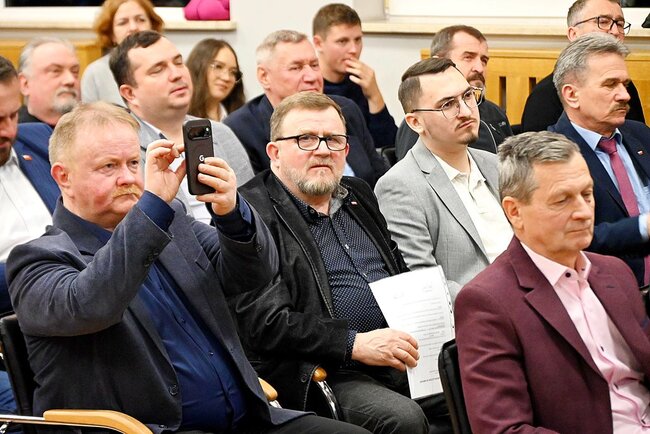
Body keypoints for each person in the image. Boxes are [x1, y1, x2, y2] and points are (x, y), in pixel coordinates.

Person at [6, 101, 369, 434]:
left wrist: (231, 213)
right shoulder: (37, 261)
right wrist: (152, 206)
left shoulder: (172, 223)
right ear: (63, 177)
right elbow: (94, 303)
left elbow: (255, 276)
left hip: (251, 418)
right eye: (108, 167)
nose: (128, 178)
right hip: (152, 430)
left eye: (133, 163)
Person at [236, 91, 450, 434]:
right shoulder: (251, 212)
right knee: (402, 418)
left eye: (333, 139)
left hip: (399, 353)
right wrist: (354, 344)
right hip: (326, 370)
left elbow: (398, 272)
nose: (323, 150)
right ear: (274, 152)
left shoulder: (358, 193)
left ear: (346, 150)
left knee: (484, 385)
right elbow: (266, 323)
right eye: (306, 139)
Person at [455, 130, 650, 433]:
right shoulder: (487, 302)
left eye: (587, 194)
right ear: (514, 211)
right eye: (562, 200)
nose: (583, 212)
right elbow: (505, 429)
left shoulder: (615, 272)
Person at [375, 58, 512, 298]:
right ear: (416, 122)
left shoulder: (497, 165)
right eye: (448, 105)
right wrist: (502, 307)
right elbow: (424, 282)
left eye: (467, 96)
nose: (466, 111)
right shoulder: (400, 186)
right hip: (475, 312)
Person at [110, 30, 253, 224]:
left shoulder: (221, 133)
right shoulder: (121, 149)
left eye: (178, 62)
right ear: (130, 93)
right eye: (158, 69)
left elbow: (256, 216)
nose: (176, 74)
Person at [224, 30, 388, 187]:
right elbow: (254, 199)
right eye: (296, 68)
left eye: (314, 65)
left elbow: (379, 179)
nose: (312, 77)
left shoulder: (346, 110)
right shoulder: (239, 129)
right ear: (264, 76)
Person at [549, 33, 650, 288]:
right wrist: (643, 227)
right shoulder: (552, 156)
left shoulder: (641, 135)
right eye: (610, 85)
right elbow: (568, 238)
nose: (625, 95)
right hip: (604, 294)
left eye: (625, 84)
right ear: (572, 95)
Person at [0, 55, 58, 417]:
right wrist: (53, 266)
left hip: (75, 312)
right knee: (29, 411)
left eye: (13, 115)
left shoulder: (36, 139)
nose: (9, 131)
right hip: (10, 330)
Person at [521, 0, 645, 132]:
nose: (615, 31)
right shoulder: (544, 96)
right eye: (603, 22)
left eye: (619, 24)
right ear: (574, 34)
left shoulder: (626, 88)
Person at [394, 25, 512, 160]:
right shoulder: (424, 120)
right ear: (438, 62)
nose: (480, 68)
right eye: (468, 57)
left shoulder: (495, 112)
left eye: (484, 60)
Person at [312, 3, 397, 148]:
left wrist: (374, 95)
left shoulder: (361, 81)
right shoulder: (308, 84)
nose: (353, 49)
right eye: (342, 41)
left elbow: (389, 146)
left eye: (358, 40)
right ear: (318, 43)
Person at [82, 0, 164, 107]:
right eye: (123, 22)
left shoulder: (170, 63)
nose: (133, 27)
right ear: (111, 34)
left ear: (152, 26)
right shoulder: (96, 73)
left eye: (140, 20)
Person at [17, 37, 80, 127]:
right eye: (55, 71)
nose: (70, 80)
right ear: (25, 84)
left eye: (75, 71)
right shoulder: (12, 132)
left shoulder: (89, 129)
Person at [186, 38, 245, 122]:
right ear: (198, 67)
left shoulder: (240, 119)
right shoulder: (179, 117)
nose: (226, 78)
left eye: (233, 72)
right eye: (218, 67)